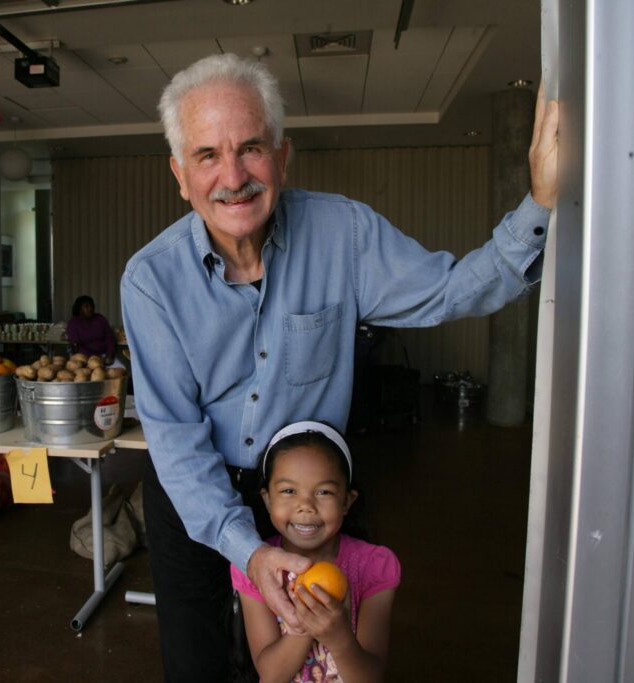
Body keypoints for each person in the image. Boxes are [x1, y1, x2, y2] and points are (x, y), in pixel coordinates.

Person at [120, 53, 558, 681]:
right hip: (192, 493)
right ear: (180, 175)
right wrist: (248, 550)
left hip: (309, 497)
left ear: (283, 155)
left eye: (251, 148)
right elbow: (176, 440)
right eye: (207, 155)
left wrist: (540, 202)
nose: (233, 177)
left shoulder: (342, 233)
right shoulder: (151, 280)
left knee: (322, 664)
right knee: (197, 666)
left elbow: (450, 291)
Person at [230, 422, 398, 683]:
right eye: (289, 491)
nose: (305, 506)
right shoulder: (254, 568)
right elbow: (271, 675)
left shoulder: (374, 566)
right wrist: (305, 625)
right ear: (267, 499)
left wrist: (340, 638)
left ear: (347, 501)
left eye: (323, 492)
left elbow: (370, 678)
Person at [65, 295, 116, 365]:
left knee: (120, 368)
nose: (90, 308)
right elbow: (74, 345)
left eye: (92, 305)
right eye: (86, 306)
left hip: (103, 356)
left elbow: (109, 337)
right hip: (84, 358)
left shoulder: (100, 319)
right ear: (79, 309)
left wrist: (109, 354)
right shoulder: (73, 323)